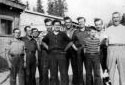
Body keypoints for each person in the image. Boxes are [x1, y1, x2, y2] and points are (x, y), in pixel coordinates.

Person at [42, 19, 71, 85]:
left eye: (58, 25)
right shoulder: (49, 34)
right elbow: (43, 42)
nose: (57, 26)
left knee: (63, 72)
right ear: (53, 25)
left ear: (60, 26)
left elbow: (70, 42)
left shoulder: (63, 34)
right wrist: (48, 48)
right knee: (53, 72)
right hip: (52, 55)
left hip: (61, 55)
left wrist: (65, 49)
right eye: (55, 25)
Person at [102, 12, 125, 85]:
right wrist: (106, 41)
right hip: (111, 48)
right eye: (114, 17)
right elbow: (104, 39)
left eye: (117, 17)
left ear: (120, 18)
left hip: (122, 48)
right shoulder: (108, 29)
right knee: (110, 69)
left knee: (123, 70)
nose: (115, 19)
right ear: (112, 19)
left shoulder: (124, 28)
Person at [72, 17, 89, 85]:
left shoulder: (89, 30)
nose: (81, 23)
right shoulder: (76, 32)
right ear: (78, 23)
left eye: (82, 21)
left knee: (88, 69)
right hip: (79, 52)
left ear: (85, 22)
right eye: (79, 22)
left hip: (87, 51)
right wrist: (75, 48)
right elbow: (71, 42)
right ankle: (81, 83)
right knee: (79, 69)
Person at [63, 16, 79, 85]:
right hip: (65, 51)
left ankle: (75, 83)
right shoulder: (63, 32)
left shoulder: (75, 31)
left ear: (71, 23)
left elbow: (75, 40)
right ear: (64, 23)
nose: (68, 24)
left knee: (75, 68)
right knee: (64, 68)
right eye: (66, 22)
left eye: (69, 22)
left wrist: (74, 46)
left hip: (73, 51)